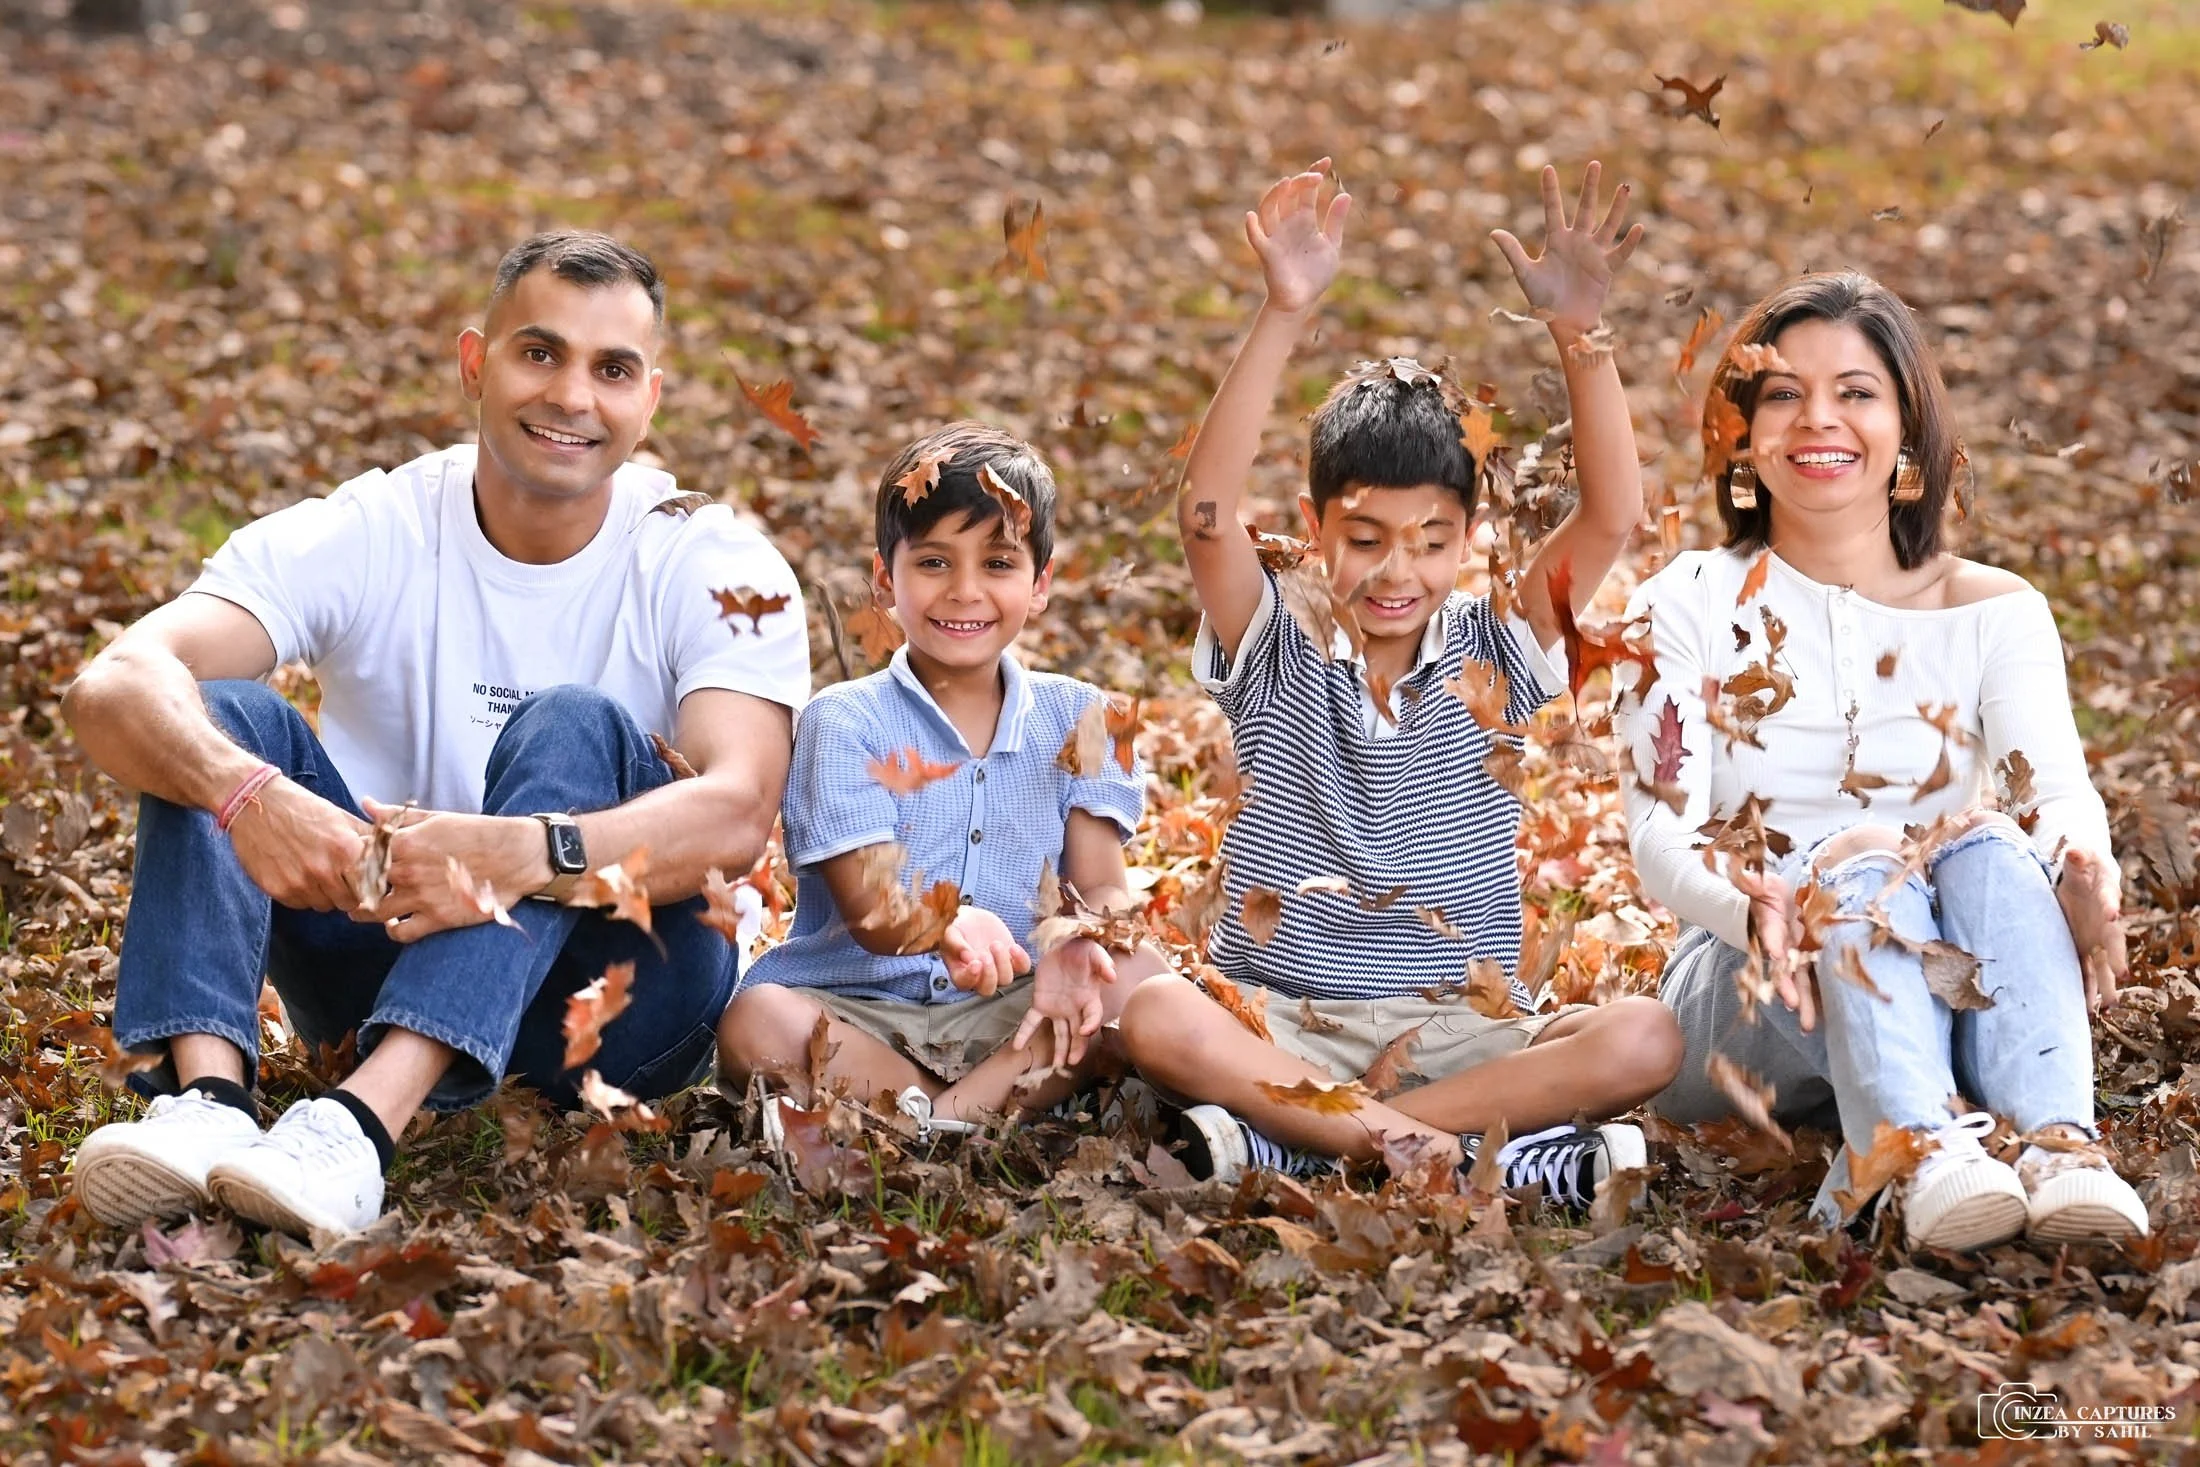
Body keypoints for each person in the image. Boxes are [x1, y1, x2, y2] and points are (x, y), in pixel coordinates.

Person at [62, 231, 810, 1240]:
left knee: (575, 723)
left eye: (612, 370)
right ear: (475, 363)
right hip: (373, 953)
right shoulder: (380, 525)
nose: (573, 397)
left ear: (650, 399)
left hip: (620, 1004)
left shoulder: (717, 559)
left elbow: (737, 810)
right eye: (538, 353)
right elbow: (115, 683)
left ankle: (359, 1130)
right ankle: (209, 1110)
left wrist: (527, 854)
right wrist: (250, 796)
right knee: (220, 715)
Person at [1115, 160, 1683, 1207]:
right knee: (1151, 1015)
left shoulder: (1499, 648)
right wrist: (1285, 310)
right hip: (1284, 1022)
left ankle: (1325, 1144)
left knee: (1644, 1035)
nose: (1395, 572)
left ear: (1468, 539)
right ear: (1315, 522)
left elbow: (1610, 518)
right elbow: (1204, 516)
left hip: (1460, 1037)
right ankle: (1471, 1157)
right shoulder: (1276, 638)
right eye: (1364, 537)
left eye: (1430, 543)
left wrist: (1580, 332)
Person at [1624, 270, 2149, 1251]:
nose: (1818, 419)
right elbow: (1659, 835)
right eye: (1783, 394)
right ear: (1740, 433)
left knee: (1989, 840)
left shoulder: (1996, 609)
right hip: (1744, 985)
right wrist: (1757, 909)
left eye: (1855, 392)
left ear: (1907, 428)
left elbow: (2055, 795)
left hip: (1950, 971)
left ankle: (2058, 1147)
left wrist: (2086, 875)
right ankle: (1919, 1147)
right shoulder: (1682, 601)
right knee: (1867, 845)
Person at [715, 422, 1163, 1136]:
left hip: (1016, 1009)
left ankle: (928, 1122)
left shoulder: (1088, 717)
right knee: (755, 1022)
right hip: (860, 1009)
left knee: (1136, 978)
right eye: (933, 562)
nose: (964, 591)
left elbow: (1102, 885)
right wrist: (944, 922)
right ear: (886, 579)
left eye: (997, 563)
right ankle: (969, 1114)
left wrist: (1084, 938)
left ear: (1040, 583)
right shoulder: (843, 720)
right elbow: (869, 907)